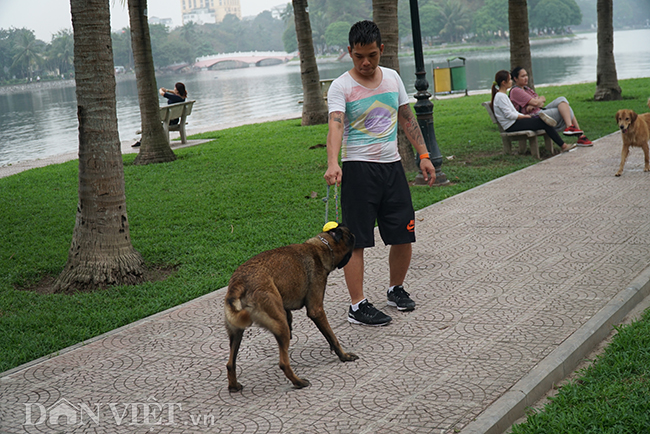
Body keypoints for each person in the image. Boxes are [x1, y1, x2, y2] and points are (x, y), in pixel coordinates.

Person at [323, 20, 436, 326]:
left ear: (381, 50)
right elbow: (335, 124)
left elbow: (406, 117)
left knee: (403, 233)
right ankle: (357, 306)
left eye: (372, 55)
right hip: (359, 169)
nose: (365, 62)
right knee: (356, 240)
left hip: (393, 167)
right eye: (359, 55)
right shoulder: (341, 86)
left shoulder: (393, 79)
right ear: (349, 52)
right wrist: (333, 162)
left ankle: (395, 289)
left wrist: (424, 155)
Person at [491, 70, 576, 154]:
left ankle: (563, 144)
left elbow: (513, 112)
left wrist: (525, 116)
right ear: (503, 83)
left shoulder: (502, 95)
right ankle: (563, 146)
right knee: (544, 122)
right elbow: (509, 115)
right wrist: (524, 117)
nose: (511, 81)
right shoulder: (500, 97)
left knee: (542, 120)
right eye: (509, 79)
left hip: (515, 122)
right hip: (511, 125)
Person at [509, 67, 592, 147]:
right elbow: (536, 102)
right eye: (522, 76)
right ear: (515, 78)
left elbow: (542, 100)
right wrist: (535, 102)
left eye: (526, 75)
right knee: (566, 109)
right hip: (534, 116)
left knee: (562, 100)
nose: (526, 78)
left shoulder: (527, 88)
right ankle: (579, 135)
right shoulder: (516, 90)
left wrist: (535, 103)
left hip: (540, 110)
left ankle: (570, 128)